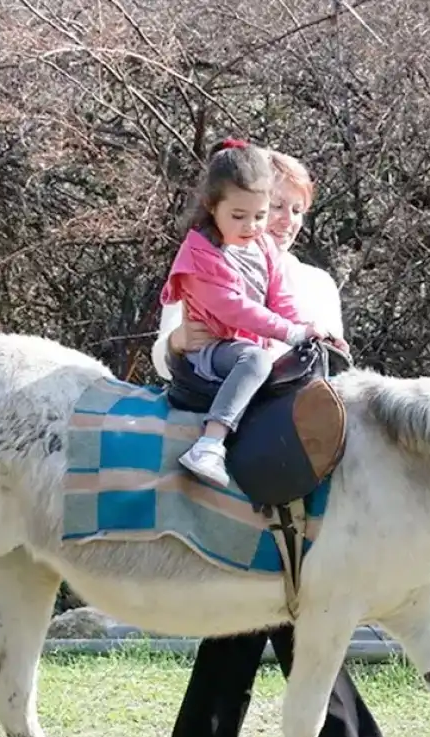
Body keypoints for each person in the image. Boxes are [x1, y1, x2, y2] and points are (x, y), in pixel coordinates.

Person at [151, 146, 419, 737]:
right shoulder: (217, 258)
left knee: (260, 608)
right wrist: (180, 342)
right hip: (239, 456)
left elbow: (333, 374)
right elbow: (172, 347)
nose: (285, 220)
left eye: (296, 210)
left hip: (300, 458)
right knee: (290, 604)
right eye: (277, 207)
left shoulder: (313, 281)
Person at [159, 136, 332, 488]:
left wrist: (315, 332)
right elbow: (235, 309)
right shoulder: (202, 255)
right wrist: (291, 332)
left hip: (256, 355)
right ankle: (210, 442)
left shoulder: (269, 252)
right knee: (255, 360)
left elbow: (282, 300)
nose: (254, 226)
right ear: (213, 207)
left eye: (296, 210)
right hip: (215, 350)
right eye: (278, 207)